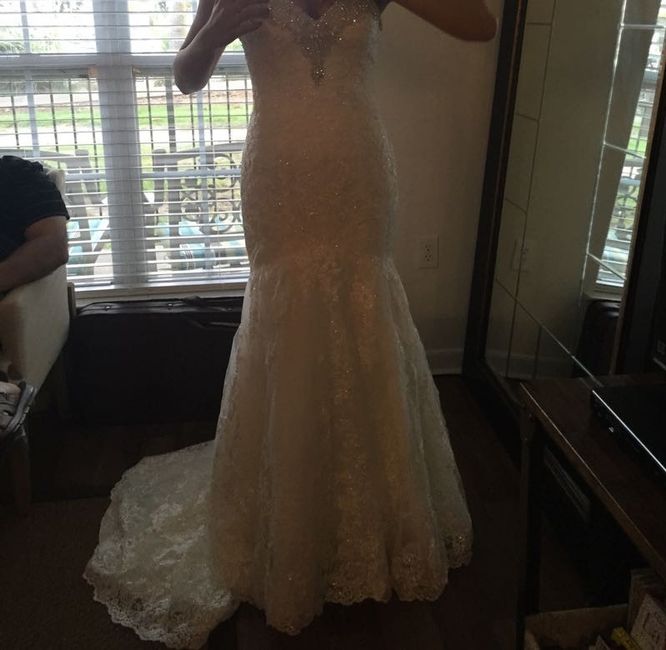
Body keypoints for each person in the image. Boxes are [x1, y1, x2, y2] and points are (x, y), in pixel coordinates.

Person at [84, 1, 497, 648]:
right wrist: (217, 29)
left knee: (363, 308)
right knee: (288, 323)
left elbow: (481, 24)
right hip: (277, 177)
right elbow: (186, 75)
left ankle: (369, 517)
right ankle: (290, 519)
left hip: (358, 173)